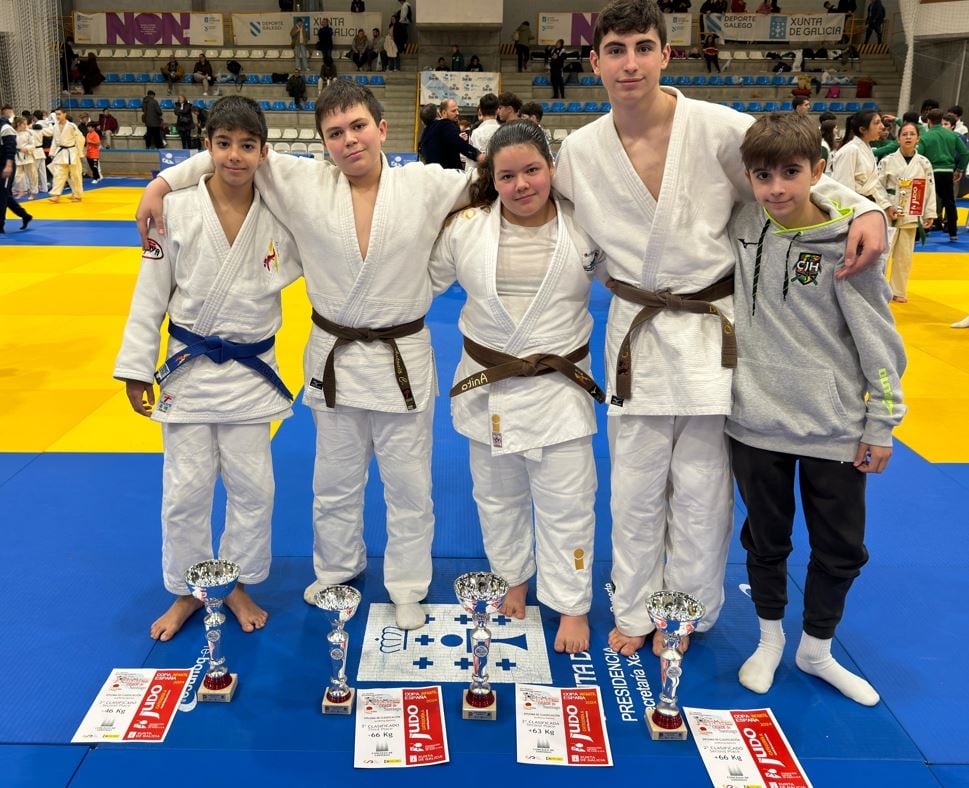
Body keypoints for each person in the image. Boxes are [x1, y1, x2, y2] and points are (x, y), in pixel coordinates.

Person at [552, 0, 888, 658]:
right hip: (636, 337)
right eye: (614, 50)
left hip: (711, 332)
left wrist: (864, 206)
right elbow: (537, 210)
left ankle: (686, 610)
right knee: (635, 485)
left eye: (641, 48)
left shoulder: (717, 128)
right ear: (594, 62)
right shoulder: (579, 151)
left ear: (665, 53)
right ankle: (633, 607)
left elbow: (790, 175)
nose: (629, 63)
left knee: (704, 486)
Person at [136, 80, 476, 632]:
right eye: (335, 134)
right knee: (334, 480)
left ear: (383, 128)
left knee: (410, 482)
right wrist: (164, 180)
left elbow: (498, 180)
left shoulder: (424, 184)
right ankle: (338, 571)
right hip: (334, 358)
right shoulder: (303, 180)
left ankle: (408, 583)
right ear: (323, 143)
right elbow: (234, 152)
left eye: (359, 127)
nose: (349, 141)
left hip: (402, 358)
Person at [728, 112, 904, 706]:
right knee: (765, 540)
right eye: (763, 175)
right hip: (753, 420)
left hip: (833, 427)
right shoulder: (744, 223)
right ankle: (771, 638)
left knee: (840, 548)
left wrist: (881, 422)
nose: (776, 187)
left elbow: (878, 338)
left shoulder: (850, 243)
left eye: (791, 172)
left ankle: (818, 648)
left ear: (819, 172)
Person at [115, 96, 302, 643]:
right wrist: (134, 367)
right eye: (224, 144)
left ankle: (235, 582)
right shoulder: (174, 210)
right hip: (189, 369)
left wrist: (162, 179)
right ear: (208, 147)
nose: (235, 156)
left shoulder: (282, 212)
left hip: (250, 371)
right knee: (184, 490)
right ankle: (187, 587)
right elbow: (150, 294)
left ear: (264, 152)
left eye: (247, 145)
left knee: (254, 489)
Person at [429, 121, 605, 654]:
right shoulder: (466, 228)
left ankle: (571, 602)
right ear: (492, 178)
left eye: (532, 170)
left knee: (569, 501)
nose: (522, 184)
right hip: (489, 387)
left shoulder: (587, 225)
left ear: (552, 170)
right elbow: (419, 282)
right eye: (507, 175)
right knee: (497, 497)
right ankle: (514, 577)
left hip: (560, 388)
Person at [873, 122, 935, 302]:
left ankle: (898, 290)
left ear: (918, 138)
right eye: (904, 134)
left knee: (905, 255)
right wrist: (886, 205)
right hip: (890, 210)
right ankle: (878, 289)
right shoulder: (887, 160)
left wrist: (929, 213)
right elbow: (877, 186)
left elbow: (930, 189)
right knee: (883, 252)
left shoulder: (924, 163)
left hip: (911, 209)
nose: (908, 137)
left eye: (912, 134)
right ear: (898, 138)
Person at [919, 108, 967, 242]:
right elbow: (965, 153)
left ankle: (922, 231)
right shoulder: (953, 135)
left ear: (928, 121)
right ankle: (953, 232)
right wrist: (959, 169)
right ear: (941, 120)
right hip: (947, 172)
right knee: (950, 202)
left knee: (926, 202)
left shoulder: (925, 137)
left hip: (931, 172)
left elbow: (919, 156)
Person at [831, 110, 883, 199]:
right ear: (863, 129)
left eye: (881, 122)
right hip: (854, 203)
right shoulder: (850, 150)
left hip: (867, 201)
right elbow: (844, 185)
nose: (882, 126)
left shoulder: (866, 147)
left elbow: (873, 183)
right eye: (877, 123)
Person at [420, 98, 481, 170]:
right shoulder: (445, 124)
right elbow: (461, 146)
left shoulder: (424, 134)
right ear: (442, 113)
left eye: (457, 110)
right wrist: (479, 156)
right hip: (449, 175)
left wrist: (457, 138)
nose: (457, 113)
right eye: (453, 111)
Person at [0, 111, 32, 231]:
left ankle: (0, 224)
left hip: (5, 166)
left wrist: (8, 165)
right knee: (5, 195)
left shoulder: (6, 127)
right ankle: (25, 215)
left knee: (2, 196)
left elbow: (11, 148)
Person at [48, 107, 86, 203]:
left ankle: (77, 194)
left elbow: (80, 139)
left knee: (75, 175)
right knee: (58, 174)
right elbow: (55, 141)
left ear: (65, 114)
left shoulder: (71, 126)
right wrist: (52, 152)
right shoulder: (55, 126)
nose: (57, 116)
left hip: (72, 152)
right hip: (61, 152)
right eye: (56, 114)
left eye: (59, 114)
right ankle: (56, 195)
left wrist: (80, 152)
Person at [84, 120, 102, 184]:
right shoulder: (88, 134)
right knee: (91, 166)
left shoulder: (95, 134)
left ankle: (96, 178)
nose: (88, 128)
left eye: (89, 127)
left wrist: (91, 142)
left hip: (94, 153)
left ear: (93, 128)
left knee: (94, 167)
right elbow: (87, 142)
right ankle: (97, 177)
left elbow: (98, 143)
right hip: (89, 153)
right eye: (88, 127)